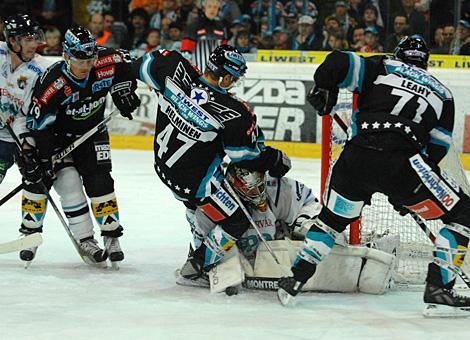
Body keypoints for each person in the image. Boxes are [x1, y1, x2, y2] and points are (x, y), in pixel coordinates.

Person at [277, 35, 470, 317]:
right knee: (463, 213)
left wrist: (324, 86)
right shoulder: (443, 94)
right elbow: (437, 149)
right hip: (404, 164)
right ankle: (439, 287)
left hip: (355, 160)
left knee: (331, 222)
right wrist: (409, 193)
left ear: (398, 53)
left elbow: (337, 60)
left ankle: (295, 278)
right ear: (425, 63)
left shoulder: (381, 65)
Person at [132, 44, 291, 281]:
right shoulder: (234, 112)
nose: (234, 83)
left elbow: (139, 66)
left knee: (194, 206)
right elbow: (244, 157)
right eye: (234, 79)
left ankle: (198, 239)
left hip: (163, 168)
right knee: (236, 220)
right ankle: (200, 262)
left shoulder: (174, 67)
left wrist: (124, 89)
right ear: (226, 77)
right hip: (196, 182)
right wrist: (275, 159)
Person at [22, 26, 141, 267]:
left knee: (101, 181)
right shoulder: (52, 84)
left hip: (93, 132)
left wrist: (123, 91)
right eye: (81, 60)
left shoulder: (107, 60)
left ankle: (110, 236)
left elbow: (128, 65)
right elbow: (38, 126)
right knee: (44, 180)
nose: (87, 65)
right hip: (57, 137)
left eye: (91, 58)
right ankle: (31, 233)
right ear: (66, 56)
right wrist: (44, 158)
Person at [176, 162, 321, 286]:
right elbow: (204, 246)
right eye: (251, 189)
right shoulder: (213, 205)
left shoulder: (276, 188)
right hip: (239, 261)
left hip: (278, 256)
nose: (259, 193)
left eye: (260, 185)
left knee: (308, 232)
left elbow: (308, 202)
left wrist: (304, 223)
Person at [0, 15, 49, 185]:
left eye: (35, 38)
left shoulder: (41, 71)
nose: (34, 44)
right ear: (12, 40)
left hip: (7, 140)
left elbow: (29, 115)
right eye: (28, 39)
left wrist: (27, 148)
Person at [181, 0, 227, 72]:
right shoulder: (193, 25)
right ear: (204, 8)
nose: (212, 9)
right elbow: (185, 52)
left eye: (215, 7)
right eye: (209, 6)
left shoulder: (221, 26)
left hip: (214, 73)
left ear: (218, 9)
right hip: (197, 72)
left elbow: (224, 50)